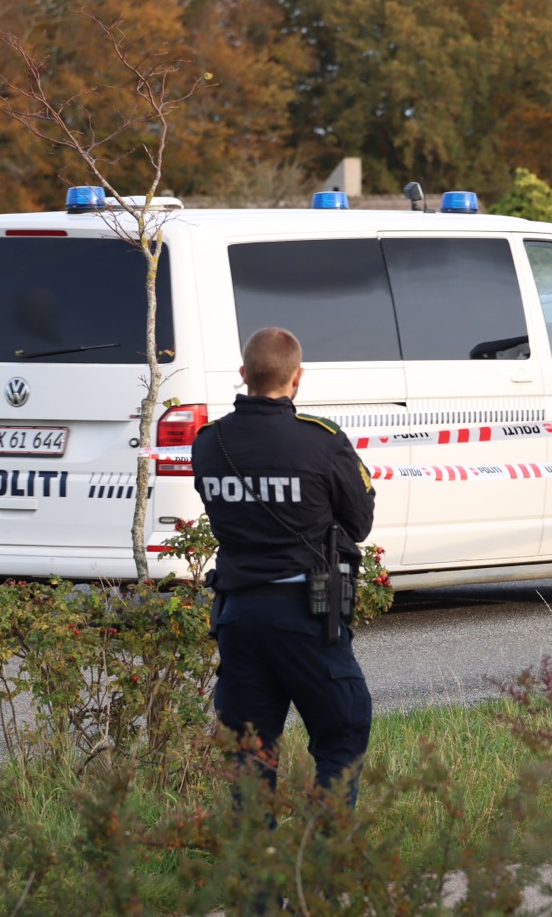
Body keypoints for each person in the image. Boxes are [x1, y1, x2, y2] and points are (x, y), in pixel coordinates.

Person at [192, 326, 376, 802]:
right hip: (306, 616)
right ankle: (323, 860)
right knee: (342, 736)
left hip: (238, 616)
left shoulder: (209, 443)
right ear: (297, 378)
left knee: (249, 757)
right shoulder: (322, 441)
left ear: (242, 374)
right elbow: (358, 522)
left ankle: (257, 871)